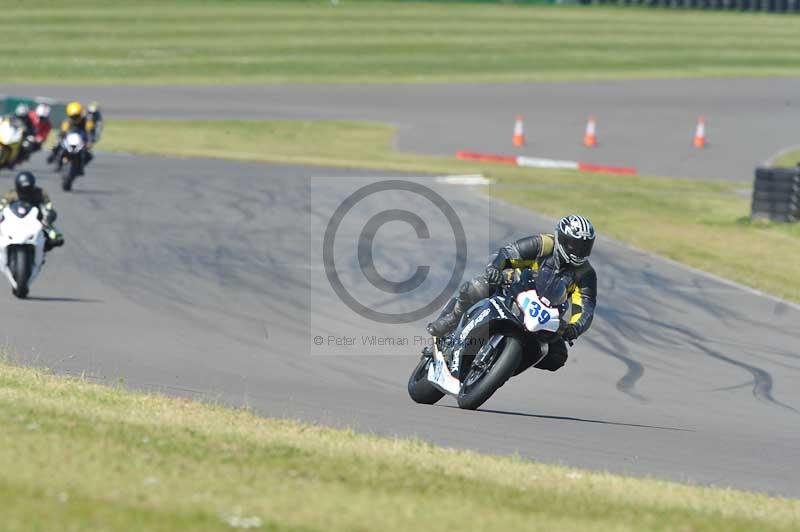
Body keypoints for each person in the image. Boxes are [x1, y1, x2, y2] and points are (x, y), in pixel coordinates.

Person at [426, 214, 597, 372]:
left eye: (584, 246)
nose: (578, 251)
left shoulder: (585, 274)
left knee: (558, 356)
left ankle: (505, 366)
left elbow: (585, 309)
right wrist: (494, 268)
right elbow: (507, 253)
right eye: (574, 244)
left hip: (543, 313)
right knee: (477, 287)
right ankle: (452, 320)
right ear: (561, 238)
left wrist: (574, 328)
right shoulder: (544, 244)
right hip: (513, 288)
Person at [0, 172, 64, 251]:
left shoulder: (41, 193)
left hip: (37, 220)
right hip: (14, 221)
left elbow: (48, 207)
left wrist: (48, 218)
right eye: (23, 190)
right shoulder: (11, 194)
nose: (26, 192)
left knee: (57, 238)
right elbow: (1, 206)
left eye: (28, 189)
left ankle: (41, 250)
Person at [47, 101, 94, 171]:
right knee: (57, 146)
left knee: (89, 155)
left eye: (77, 116)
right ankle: (56, 161)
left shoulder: (87, 121)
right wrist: (60, 137)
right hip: (69, 139)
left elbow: (89, 132)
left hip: (81, 140)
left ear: (80, 114)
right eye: (73, 117)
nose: (75, 118)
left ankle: (80, 167)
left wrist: (89, 142)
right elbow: (63, 132)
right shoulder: (67, 122)